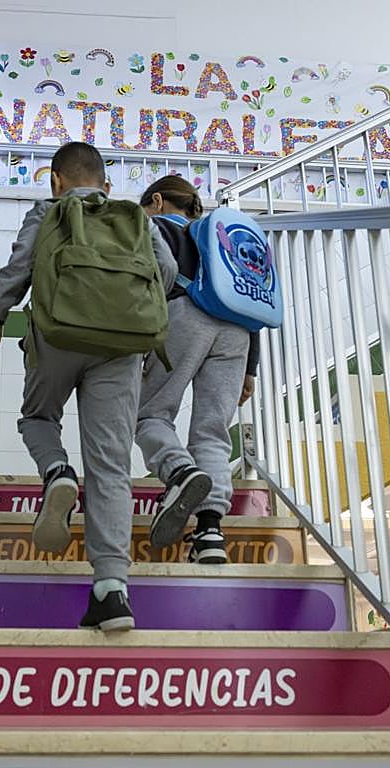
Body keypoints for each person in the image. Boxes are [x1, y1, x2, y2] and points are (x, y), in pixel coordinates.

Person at [0, 142, 178, 631]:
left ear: (56, 180)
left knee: (38, 418)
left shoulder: (48, 210)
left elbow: (20, 266)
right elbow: (165, 274)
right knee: (109, 463)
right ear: (106, 185)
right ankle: (111, 591)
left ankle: (57, 472)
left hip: (56, 337)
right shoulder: (136, 217)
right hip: (121, 349)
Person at [136, 175, 260, 563]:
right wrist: (250, 367)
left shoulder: (154, 227)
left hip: (183, 316)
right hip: (238, 330)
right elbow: (247, 294)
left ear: (156, 201)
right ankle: (209, 531)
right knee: (212, 430)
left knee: (150, 414)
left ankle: (180, 472)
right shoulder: (223, 238)